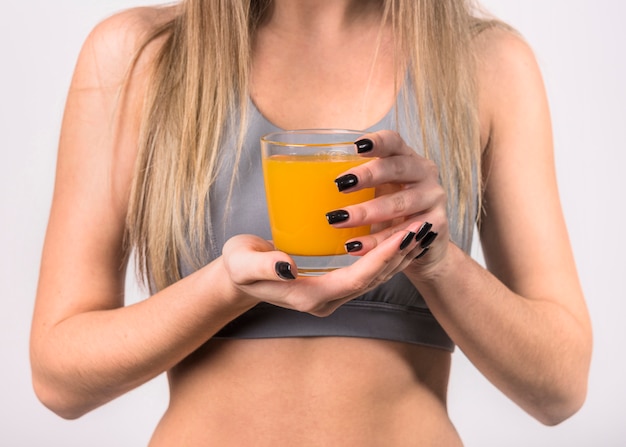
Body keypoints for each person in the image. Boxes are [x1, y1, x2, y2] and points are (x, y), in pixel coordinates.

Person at [30, 0, 592, 445]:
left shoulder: (487, 62)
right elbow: (58, 379)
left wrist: (438, 259)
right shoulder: (140, 56)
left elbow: (560, 390)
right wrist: (225, 287)